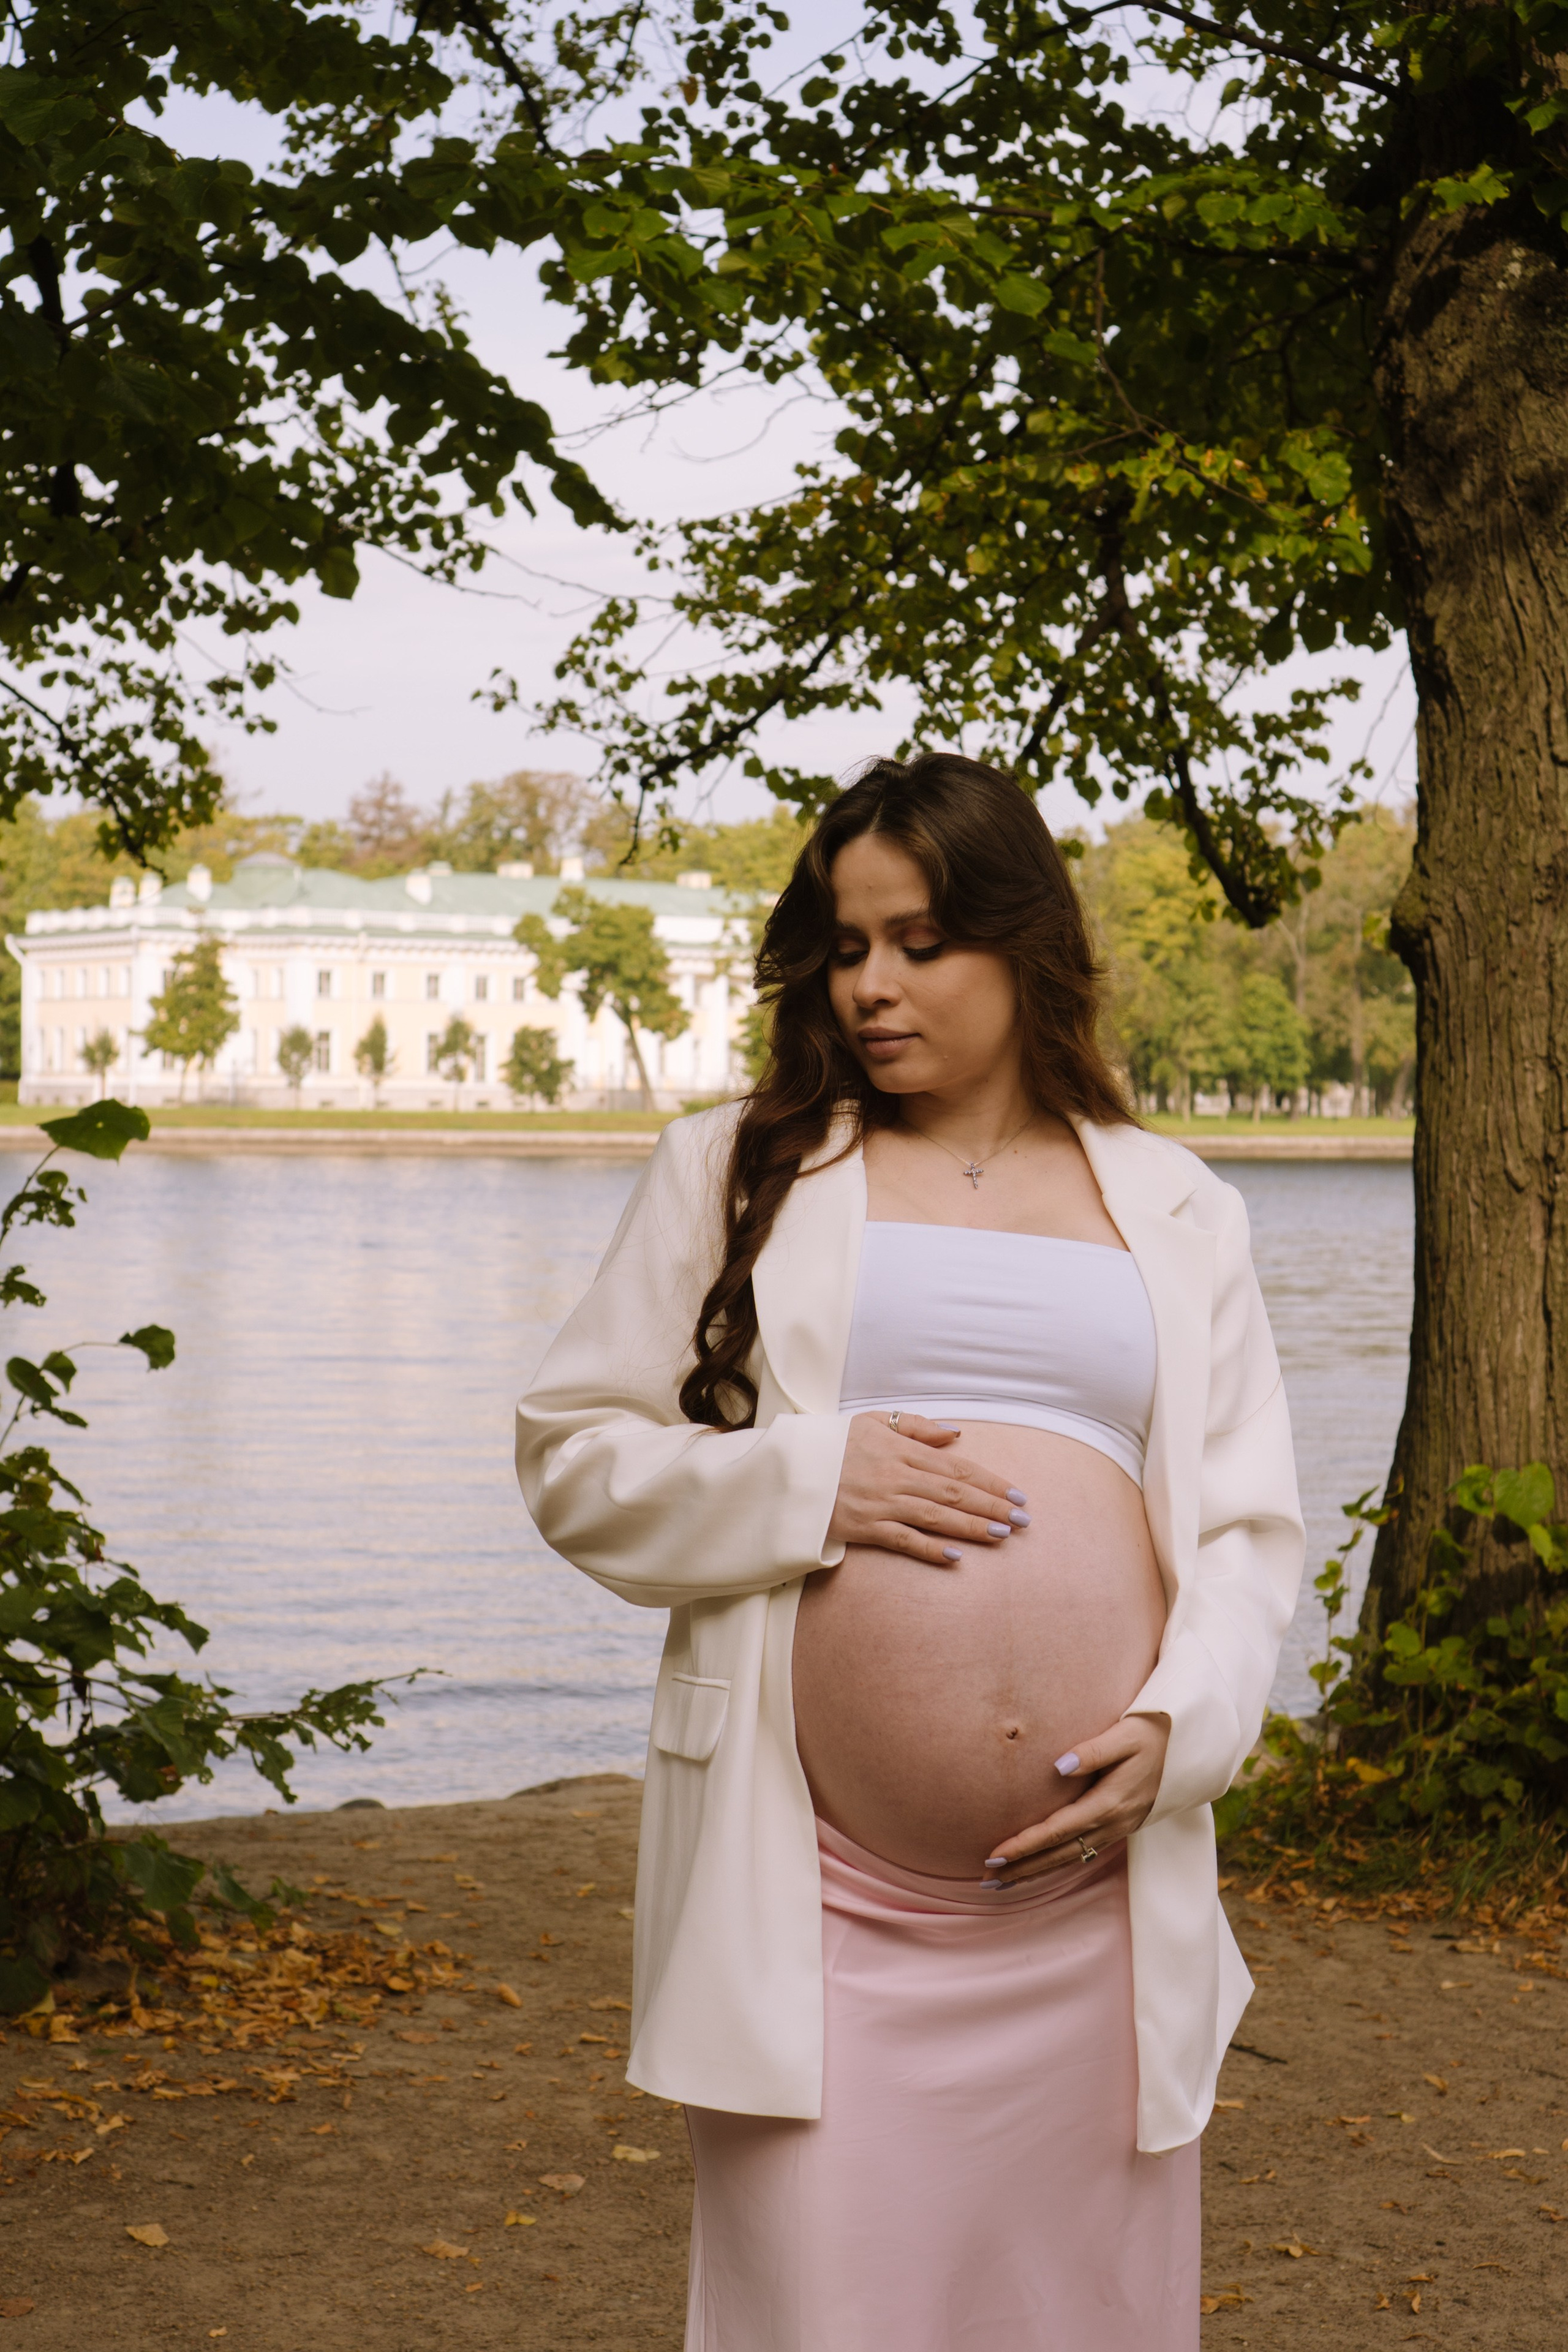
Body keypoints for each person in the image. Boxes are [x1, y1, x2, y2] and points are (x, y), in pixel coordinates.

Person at [516, 752, 1303, 2351]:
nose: (872, 985)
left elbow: (1243, 1529)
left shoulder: (1178, 1204)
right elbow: (575, 1459)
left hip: (1094, 1918)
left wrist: (1184, 1729)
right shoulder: (737, 1168)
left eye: (921, 943)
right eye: (846, 946)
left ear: (1026, 943)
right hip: (817, 1910)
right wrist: (810, 1481)